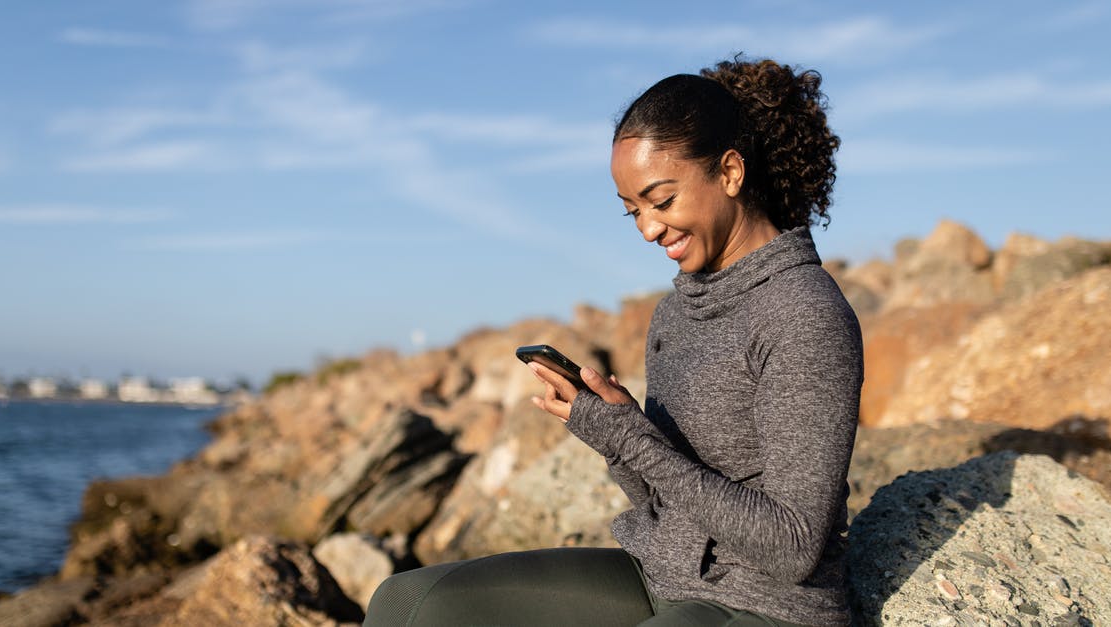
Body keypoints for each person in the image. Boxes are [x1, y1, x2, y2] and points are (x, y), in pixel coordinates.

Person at [363, 56, 862, 626]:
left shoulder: (805, 312)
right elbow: (662, 503)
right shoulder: (676, 312)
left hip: (767, 608)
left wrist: (632, 441)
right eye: (633, 212)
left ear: (729, 172)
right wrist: (611, 432)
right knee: (407, 604)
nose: (649, 229)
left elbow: (792, 546)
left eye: (662, 201)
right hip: (660, 577)